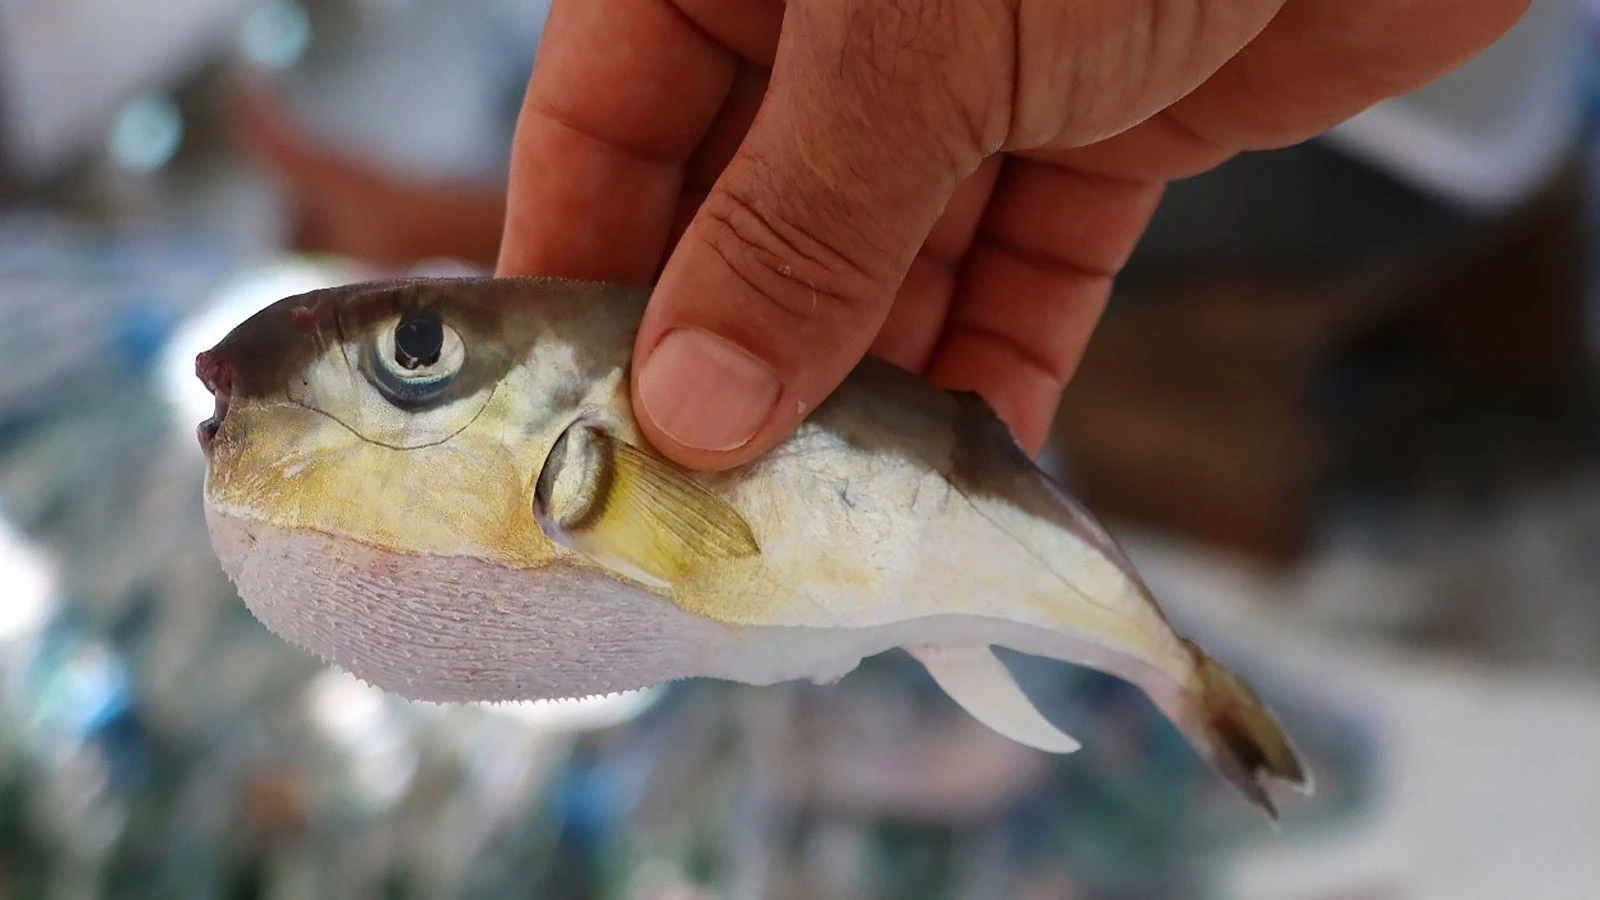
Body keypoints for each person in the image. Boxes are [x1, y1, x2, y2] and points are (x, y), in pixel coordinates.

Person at [246, 0, 1530, 470]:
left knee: (848, 184)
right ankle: (404, 217)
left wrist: (779, 273)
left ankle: (408, 218)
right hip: (1414, 91)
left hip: (1406, 159)